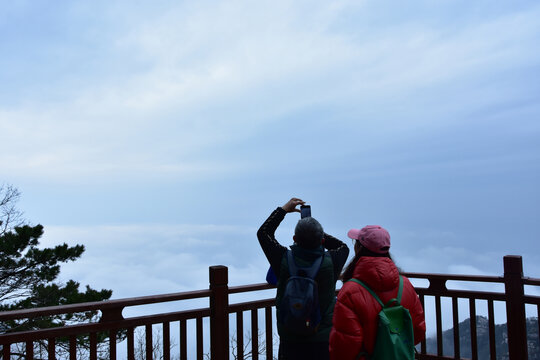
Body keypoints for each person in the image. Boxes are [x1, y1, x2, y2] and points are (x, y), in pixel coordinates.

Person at [257, 198, 349, 360]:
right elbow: (342, 246)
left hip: (290, 338)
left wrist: (284, 210)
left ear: (294, 238)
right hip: (322, 339)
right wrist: (313, 229)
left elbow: (263, 233)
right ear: (321, 240)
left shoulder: (283, 259)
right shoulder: (332, 260)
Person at [329, 225, 426, 360]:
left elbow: (344, 345)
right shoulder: (405, 285)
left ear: (359, 249)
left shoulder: (349, 292)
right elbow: (419, 330)